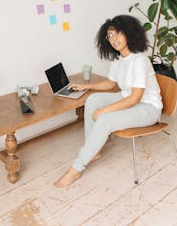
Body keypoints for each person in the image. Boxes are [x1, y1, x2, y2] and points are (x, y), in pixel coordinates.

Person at [54, 15, 162, 188]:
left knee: (105, 119)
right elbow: (111, 83)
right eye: (110, 35)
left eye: (118, 33)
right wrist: (86, 86)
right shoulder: (119, 59)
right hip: (127, 98)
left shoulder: (139, 60)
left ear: (129, 33)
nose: (113, 39)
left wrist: (104, 111)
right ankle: (93, 150)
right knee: (92, 100)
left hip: (148, 108)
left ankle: (75, 169)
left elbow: (135, 98)